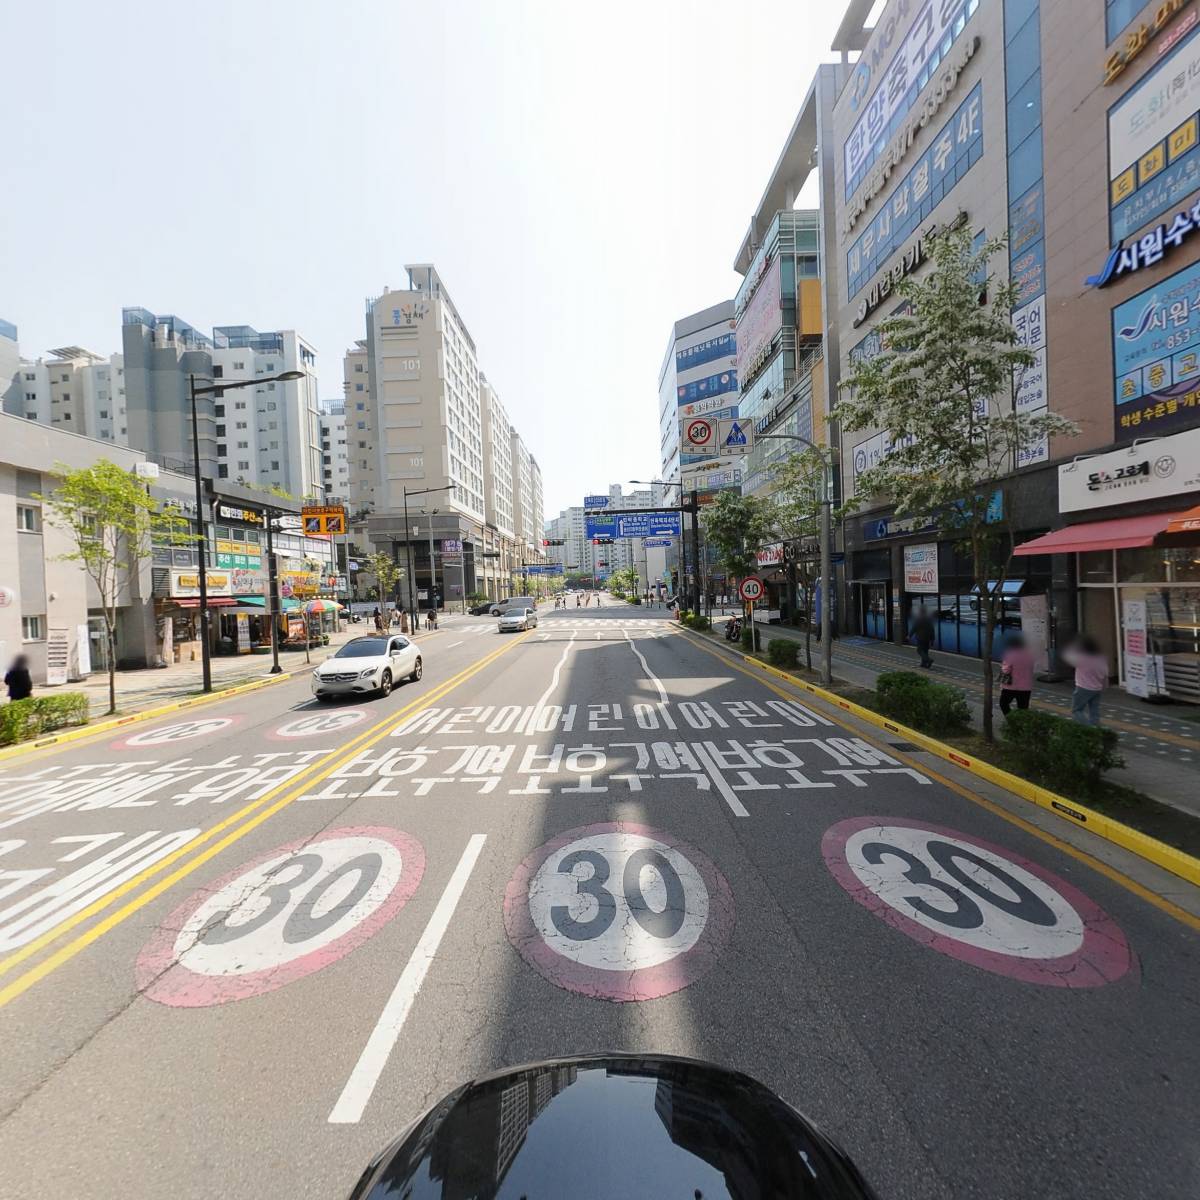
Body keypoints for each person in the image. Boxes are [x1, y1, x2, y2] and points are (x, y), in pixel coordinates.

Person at [1064, 634, 1109, 726]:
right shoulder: (1100, 658)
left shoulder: (1081, 658)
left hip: (1083, 688)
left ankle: (1088, 729)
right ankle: (1096, 728)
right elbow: (1105, 674)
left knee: (1076, 710)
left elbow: (1067, 655)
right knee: (1094, 710)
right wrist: (1104, 687)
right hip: (1097, 689)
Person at [998, 633, 1035, 715]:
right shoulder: (1029, 654)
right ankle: (1021, 725)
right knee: (1023, 708)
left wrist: (1002, 666)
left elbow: (1006, 671)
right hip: (1026, 687)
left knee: (1003, 704)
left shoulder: (1010, 654)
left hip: (1010, 686)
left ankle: (1011, 721)